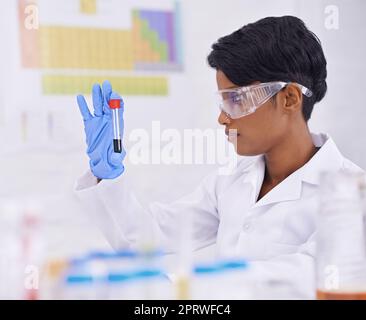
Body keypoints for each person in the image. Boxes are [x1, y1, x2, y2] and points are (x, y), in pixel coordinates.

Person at [74, 16, 362, 298]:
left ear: (288, 98)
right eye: (223, 101)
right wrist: (108, 177)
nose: (223, 118)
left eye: (236, 100)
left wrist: (178, 288)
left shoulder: (352, 195)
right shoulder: (231, 181)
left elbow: (306, 277)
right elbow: (147, 238)